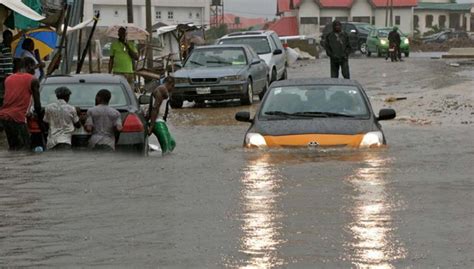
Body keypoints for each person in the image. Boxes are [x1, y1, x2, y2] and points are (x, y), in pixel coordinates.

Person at [0, 57, 41, 151]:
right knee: (25, 149)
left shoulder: (8, 79)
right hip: (18, 118)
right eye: (34, 68)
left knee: (13, 147)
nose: (35, 71)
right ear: (29, 66)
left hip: (4, 116)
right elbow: (38, 106)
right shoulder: (33, 80)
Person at [148, 77, 176, 154]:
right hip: (156, 122)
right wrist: (151, 126)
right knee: (166, 148)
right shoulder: (161, 90)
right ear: (170, 84)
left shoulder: (163, 90)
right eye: (173, 86)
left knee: (172, 143)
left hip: (161, 121)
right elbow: (155, 108)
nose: (172, 89)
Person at [0, 30, 13, 107]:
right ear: (4, 38)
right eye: (8, 38)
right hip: (2, 76)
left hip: (9, 77)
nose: (10, 39)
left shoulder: (9, 48)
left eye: (11, 38)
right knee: (2, 96)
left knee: (7, 96)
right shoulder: (1, 47)